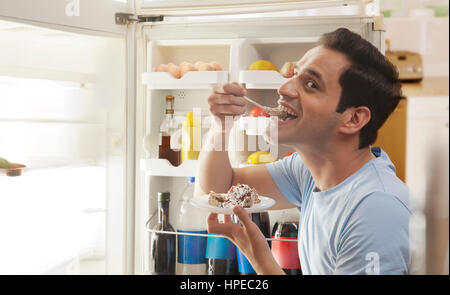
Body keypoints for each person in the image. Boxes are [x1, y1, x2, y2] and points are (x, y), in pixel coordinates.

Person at [197, 28, 411, 275]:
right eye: (294, 74)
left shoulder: (375, 211)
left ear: (353, 119)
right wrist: (220, 128)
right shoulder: (307, 173)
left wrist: (261, 261)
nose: (284, 89)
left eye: (311, 84)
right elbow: (218, 192)